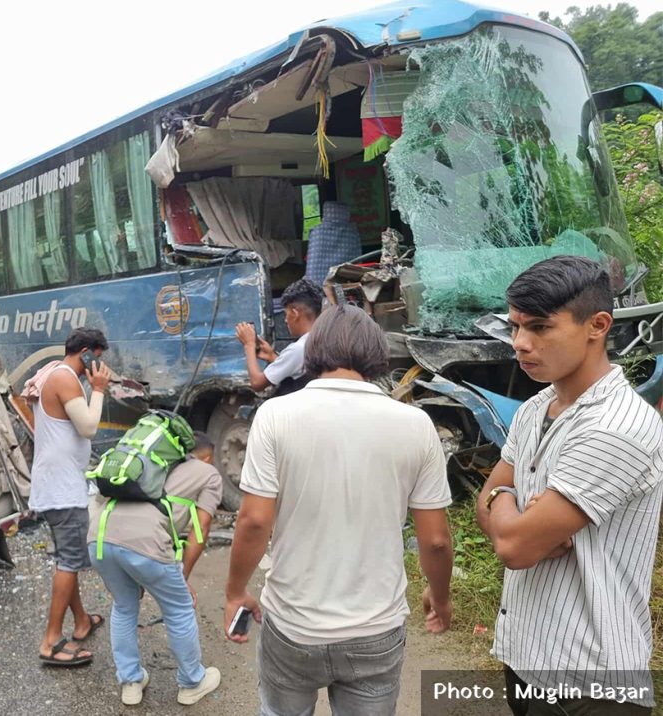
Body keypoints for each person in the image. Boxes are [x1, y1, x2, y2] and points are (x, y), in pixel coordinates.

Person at [225, 305, 454, 716]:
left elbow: (255, 520)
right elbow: (435, 540)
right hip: (376, 629)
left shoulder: (275, 416)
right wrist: (440, 597)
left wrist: (235, 591)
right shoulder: (415, 425)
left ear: (313, 351)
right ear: (375, 354)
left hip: (294, 625)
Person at [476, 256, 662, 714]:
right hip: (527, 658)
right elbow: (489, 502)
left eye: (540, 327)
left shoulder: (616, 427)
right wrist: (508, 504)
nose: (520, 343)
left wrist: (511, 516)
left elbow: (515, 548)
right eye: (515, 326)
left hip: (589, 681)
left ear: (597, 325)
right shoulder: (537, 407)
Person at [87, 428, 223, 705]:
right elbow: (202, 527)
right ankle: (192, 682)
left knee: (124, 606)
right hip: (145, 543)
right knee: (179, 608)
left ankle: (131, 682)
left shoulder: (144, 465)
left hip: (98, 539)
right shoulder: (207, 472)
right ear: (207, 457)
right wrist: (182, 575)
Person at [32, 327, 111, 667]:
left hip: (58, 483)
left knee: (71, 558)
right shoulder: (65, 378)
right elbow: (89, 426)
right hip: (62, 489)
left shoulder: (52, 370)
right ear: (87, 353)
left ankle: (80, 622)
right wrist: (98, 390)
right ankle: (50, 641)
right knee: (69, 561)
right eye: (98, 357)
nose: (100, 364)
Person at [236, 278, 324, 396]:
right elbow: (298, 368)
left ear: (295, 313)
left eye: (286, 314)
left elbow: (257, 383)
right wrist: (272, 356)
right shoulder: (324, 338)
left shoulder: (299, 348)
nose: (285, 320)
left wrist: (249, 345)